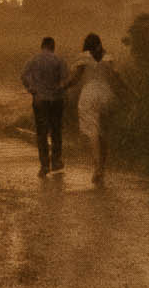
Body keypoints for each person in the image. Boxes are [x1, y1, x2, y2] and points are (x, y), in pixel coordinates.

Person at [63, 32, 126, 184]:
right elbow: (117, 78)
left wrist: (62, 87)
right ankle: (102, 167)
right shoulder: (108, 58)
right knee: (104, 132)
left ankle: (97, 167)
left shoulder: (83, 58)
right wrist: (129, 91)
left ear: (86, 45)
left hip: (89, 96)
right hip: (106, 95)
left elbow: (75, 79)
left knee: (93, 132)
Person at [19, 35, 67, 176]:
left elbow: (23, 75)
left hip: (39, 100)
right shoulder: (59, 60)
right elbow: (65, 79)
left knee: (41, 132)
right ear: (53, 46)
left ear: (42, 46)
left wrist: (30, 88)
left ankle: (44, 165)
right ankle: (56, 161)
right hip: (56, 99)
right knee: (56, 130)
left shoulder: (33, 60)